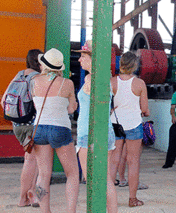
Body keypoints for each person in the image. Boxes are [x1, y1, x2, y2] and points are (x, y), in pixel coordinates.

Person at [30, 48, 79, 212]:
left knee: (43, 175)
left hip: (39, 129)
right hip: (60, 128)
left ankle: (45, 211)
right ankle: (70, 211)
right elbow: (71, 109)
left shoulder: (34, 81)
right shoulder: (67, 83)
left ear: (43, 64)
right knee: (72, 174)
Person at [76, 40, 118, 212]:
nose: (79, 60)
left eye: (83, 55)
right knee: (106, 178)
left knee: (92, 181)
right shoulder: (102, 78)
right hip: (104, 131)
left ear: (92, 58)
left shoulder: (92, 79)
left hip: (89, 133)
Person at [1, 49, 43, 207]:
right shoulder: (38, 78)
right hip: (33, 125)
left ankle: (25, 197)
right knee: (37, 162)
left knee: (30, 160)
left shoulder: (19, 75)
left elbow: (4, 101)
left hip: (17, 125)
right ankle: (31, 196)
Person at [109, 51, 150, 207]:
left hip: (116, 124)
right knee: (133, 162)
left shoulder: (112, 82)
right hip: (134, 125)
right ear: (135, 65)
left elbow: (106, 105)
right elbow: (144, 108)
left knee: (114, 161)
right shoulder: (139, 83)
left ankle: (109, 198)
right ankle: (132, 199)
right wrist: (144, 112)